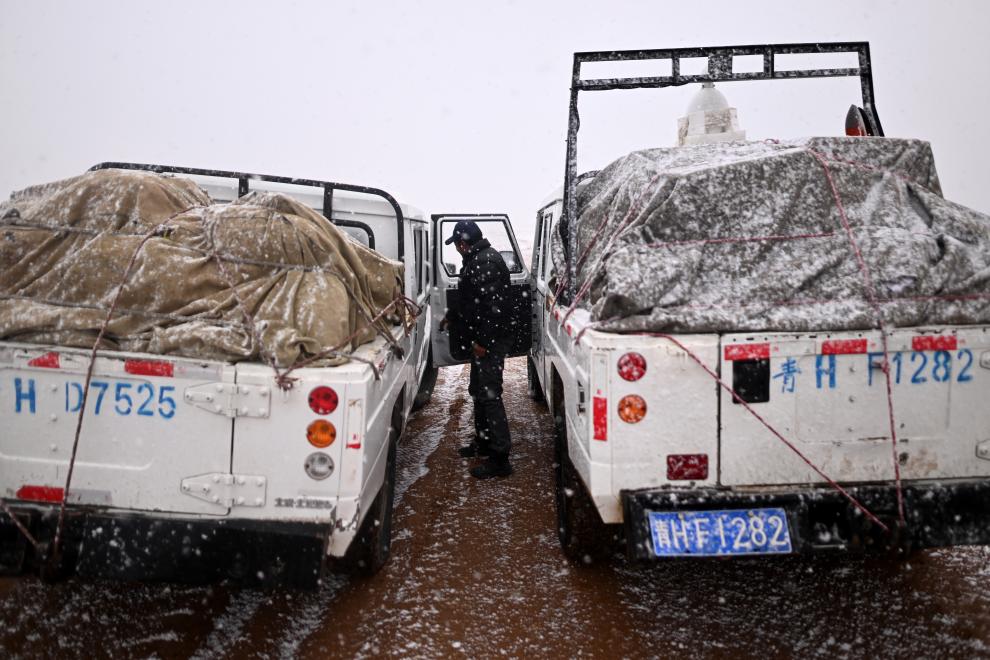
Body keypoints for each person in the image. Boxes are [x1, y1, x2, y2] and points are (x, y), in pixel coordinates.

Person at [441, 219, 513, 479]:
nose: (457, 248)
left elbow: (494, 310)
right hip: (484, 338)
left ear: (463, 243)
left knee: (490, 395)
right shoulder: (477, 259)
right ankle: (483, 442)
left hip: (490, 341)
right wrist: (452, 316)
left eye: (457, 244)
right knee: (479, 391)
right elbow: (471, 299)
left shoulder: (485, 262)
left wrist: (483, 342)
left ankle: (500, 459)